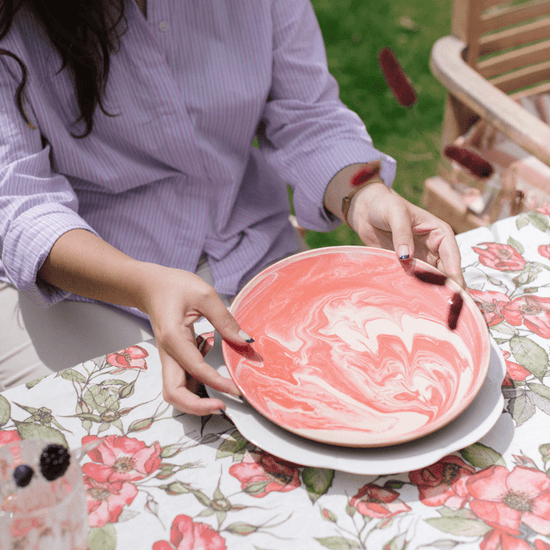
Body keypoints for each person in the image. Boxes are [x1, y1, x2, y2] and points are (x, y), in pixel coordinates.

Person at [0, 0, 463, 414]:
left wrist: (362, 196)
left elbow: (306, 115)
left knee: (364, 401)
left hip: (254, 254)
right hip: (92, 287)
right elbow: (21, 205)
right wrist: (143, 285)